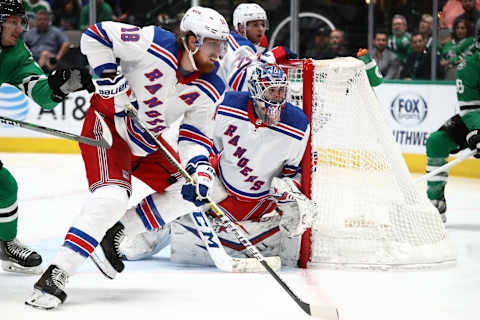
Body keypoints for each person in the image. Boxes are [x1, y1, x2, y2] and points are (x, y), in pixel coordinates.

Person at [25, 6, 229, 310]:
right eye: (214, 43)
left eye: (222, 44)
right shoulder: (152, 42)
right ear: (191, 40)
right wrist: (106, 74)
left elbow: (195, 136)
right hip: (107, 128)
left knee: (201, 191)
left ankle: (116, 233)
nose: (220, 52)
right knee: (111, 198)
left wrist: (198, 169)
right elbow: (96, 35)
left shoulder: (212, 85)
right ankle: (57, 274)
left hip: (147, 142)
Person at [106, 63, 311, 267]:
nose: (277, 97)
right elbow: (205, 141)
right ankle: (128, 237)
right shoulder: (229, 105)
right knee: (181, 197)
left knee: (282, 194)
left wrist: (288, 192)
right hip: (221, 178)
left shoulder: (298, 125)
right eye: (271, 91)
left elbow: (292, 172)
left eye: (281, 91)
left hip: (257, 202)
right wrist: (200, 170)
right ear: (255, 90)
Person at [0, 0, 93, 275]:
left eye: (21, 21)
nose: (20, 28)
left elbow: (40, 93)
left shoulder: (15, 52)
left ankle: (5, 242)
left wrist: (58, 85)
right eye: (13, 22)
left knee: (5, 187)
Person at [424, 20, 480, 223]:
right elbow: (470, 108)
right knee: (437, 141)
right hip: (477, 114)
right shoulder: (470, 65)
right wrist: (477, 132)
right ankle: (435, 200)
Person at [219, 2, 296, 92]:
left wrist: (261, 57)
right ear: (241, 28)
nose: (261, 29)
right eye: (255, 25)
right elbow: (243, 85)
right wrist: (271, 57)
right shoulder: (239, 46)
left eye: (263, 25)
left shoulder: (234, 41)